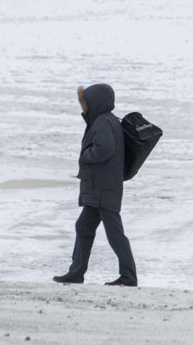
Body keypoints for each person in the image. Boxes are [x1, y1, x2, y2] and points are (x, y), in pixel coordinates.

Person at [53, 83, 138, 287]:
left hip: (102, 187)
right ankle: (76, 272)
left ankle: (128, 277)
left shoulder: (102, 122)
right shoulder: (105, 120)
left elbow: (105, 149)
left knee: (114, 233)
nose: (84, 106)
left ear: (96, 102)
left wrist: (85, 156)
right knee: (83, 226)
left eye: (86, 102)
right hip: (102, 186)